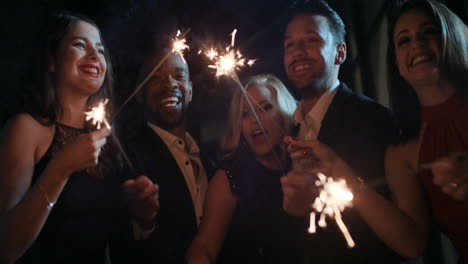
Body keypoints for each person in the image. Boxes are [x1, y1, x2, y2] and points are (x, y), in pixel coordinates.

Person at [280, 0, 401, 263]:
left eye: (311, 40)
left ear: (340, 52)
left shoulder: (371, 119)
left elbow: (395, 227)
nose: (298, 52)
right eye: (290, 44)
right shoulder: (288, 130)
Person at [0, 12, 125, 264]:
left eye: (100, 50)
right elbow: (5, 248)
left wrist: (139, 214)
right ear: (52, 60)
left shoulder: (105, 136)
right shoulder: (26, 128)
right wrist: (61, 166)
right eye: (80, 44)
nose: (94, 56)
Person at [186, 74, 307, 264]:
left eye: (264, 108)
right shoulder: (229, 177)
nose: (254, 120)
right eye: (245, 114)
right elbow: (203, 248)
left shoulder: (305, 167)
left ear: (285, 111)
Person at [111, 47, 212, 264]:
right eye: (156, 78)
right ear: (140, 93)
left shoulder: (211, 160)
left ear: (190, 90)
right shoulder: (125, 159)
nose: (170, 84)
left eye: (179, 76)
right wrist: (143, 221)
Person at [387, 0, 468, 262]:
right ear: (397, 64)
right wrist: (341, 174)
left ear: (451, 36)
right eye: (404, 40)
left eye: (428, 31)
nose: (416, 44)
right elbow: (412, 246)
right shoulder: (402, 154)